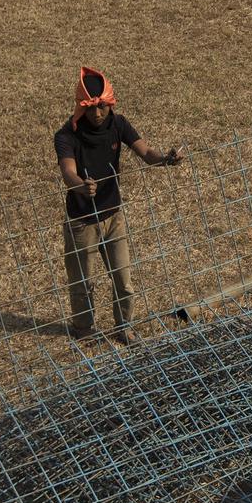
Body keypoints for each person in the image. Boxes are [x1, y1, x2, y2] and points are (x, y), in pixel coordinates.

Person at [53, 66, 183, 345]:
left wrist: (165, 159)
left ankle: (124, 326)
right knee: (82, 282)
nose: (97, 114)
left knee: (123, 279)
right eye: (91, 109)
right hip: (82, 220)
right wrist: (80, 185)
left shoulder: (118, 124)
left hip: (113, 215)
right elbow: (67, 171)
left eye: (102, 107)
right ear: (81, 108)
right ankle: (84, 329)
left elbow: (146, 152)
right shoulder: (67, 135)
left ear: (110, 103)